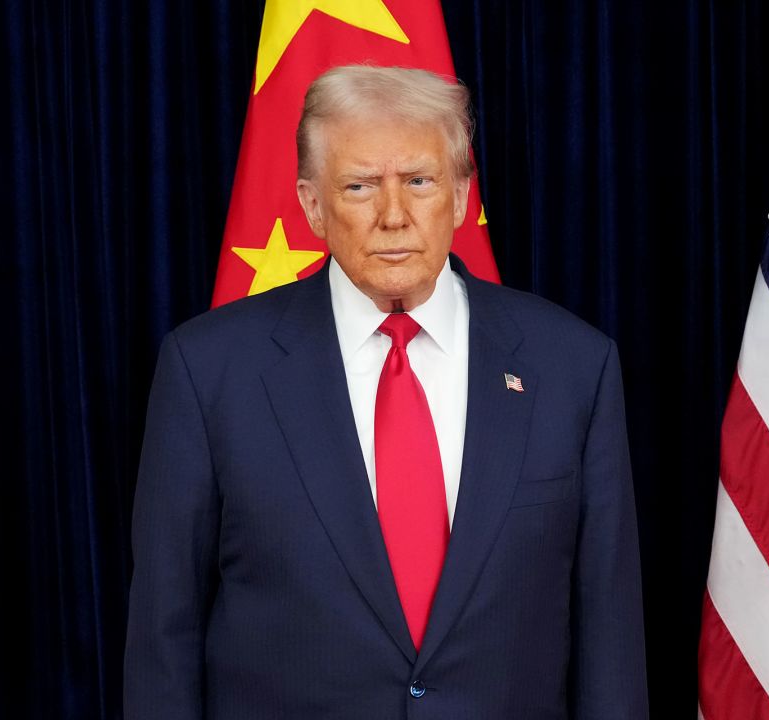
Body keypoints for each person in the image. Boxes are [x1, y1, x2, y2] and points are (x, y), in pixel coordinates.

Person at [124, 64, 648, 719]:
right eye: (360, 185)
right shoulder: (209, 371)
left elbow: (609, 639)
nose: (393, 216)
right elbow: (163, 643)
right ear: (313, 203)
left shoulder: (573, 366)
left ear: (461, 196)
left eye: (420, 182)